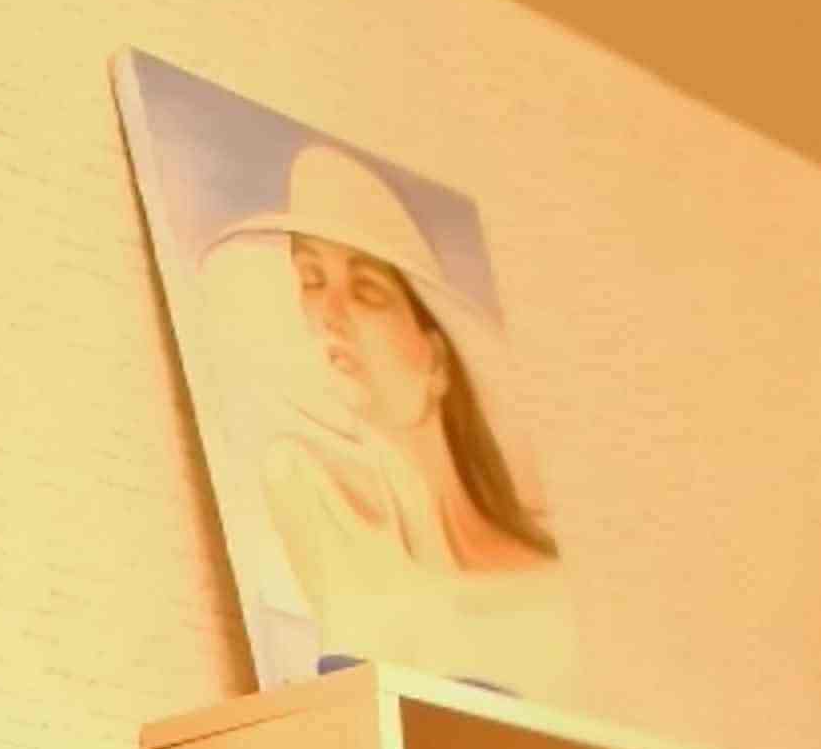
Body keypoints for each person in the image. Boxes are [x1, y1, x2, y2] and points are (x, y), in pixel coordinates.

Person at [205, 143, 577, 700]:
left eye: (366, 291)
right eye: (311, 279)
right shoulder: (307, 491)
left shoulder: (543, 593)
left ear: (438, 359)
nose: (329, 315)